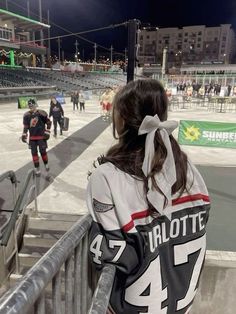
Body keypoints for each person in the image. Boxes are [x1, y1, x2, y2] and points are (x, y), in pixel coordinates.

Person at [87, 79, 210, 314]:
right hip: (181, 304)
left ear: (122, 117)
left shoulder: (106, 177)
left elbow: (114, 254)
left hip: (135, 305)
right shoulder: (188, 168)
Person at [21, 99, 51, 176]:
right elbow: (26, 126)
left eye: (32, 105)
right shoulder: (26, 115)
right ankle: (37, 169)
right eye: (29, 106)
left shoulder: (42, 113)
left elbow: (48, 122)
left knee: (43, 152)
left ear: (35, 105)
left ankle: (46, 165)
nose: (31, 107)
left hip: (41, 137)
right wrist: (24, 134)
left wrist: (47, 131)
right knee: (34, 153)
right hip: (32, 138)